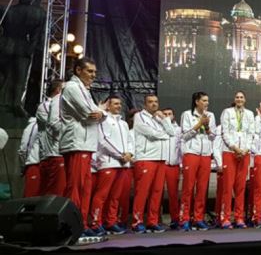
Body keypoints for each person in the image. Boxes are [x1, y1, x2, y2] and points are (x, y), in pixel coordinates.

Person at [59, 58, 105, 236]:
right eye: (90, 71)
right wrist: (100, 113)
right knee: (75, 188)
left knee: (85, 189)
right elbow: (89, 114)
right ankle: (72, 227)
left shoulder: (84, 89)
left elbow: (100, 114)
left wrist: (101, 113)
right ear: (78, 70)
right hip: (77, 143)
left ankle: (83, 225)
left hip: (85, 144)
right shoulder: (72, 87)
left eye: (95, 72)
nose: (93, 75)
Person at [131, 94, 176, 233]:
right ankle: (137, 222)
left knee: (157, 192)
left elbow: (172, 132)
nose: (154, 104)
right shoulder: (139, 116)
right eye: (150, 102)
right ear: (145, 104)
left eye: (156, 101)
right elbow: (152, 134)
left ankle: (153, 221)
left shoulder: (159, 118)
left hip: (160, 159)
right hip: (146, 158)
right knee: (142, 192)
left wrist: (164, 119)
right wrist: (164, 134)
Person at [89, 96, 131, 235]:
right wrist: (120, 155)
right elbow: (103, 141)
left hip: (123, 164)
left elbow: (130, 141)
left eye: (120, 103)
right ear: (108, 105)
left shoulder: (123, 124)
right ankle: (95, 223)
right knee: (102, 195)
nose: (119, 106)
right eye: (115, 103)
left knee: (115, 196)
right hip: (108, 162)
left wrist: (129, 153)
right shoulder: (103, 120)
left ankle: (110, 222)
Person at [179, 92, 216, 231]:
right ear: (196, 102)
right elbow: (184, 135)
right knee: (188, 188)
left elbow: (213, 136)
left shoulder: (211, 115)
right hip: (191, 153)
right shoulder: (187, 114)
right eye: (204, 100)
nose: (207, 103)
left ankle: (198, 218)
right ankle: (184, 219)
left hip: (205, 154)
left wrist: (207, 127)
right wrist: (199, 124)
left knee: (202, 188)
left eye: (207, 100)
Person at [220, 91, 255, 229]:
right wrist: (234, 148)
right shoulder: (227, 112)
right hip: (230, 152)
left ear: (245, 100)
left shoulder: (250, 114)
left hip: (244, 153)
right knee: (228, 187)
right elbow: (225, 132)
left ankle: (239, 217)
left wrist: (245, 149)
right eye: (237, 97)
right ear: (234, 99)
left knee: (241, 187)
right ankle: (225, 218)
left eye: (241, 97)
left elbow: (251, 134)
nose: (239, 99)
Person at [36, 79, 66, 196]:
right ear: (59, 90)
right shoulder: (46, 105)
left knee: (57, 192)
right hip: (52, 153)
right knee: (54, 193)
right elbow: (55, 125)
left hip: (59, 153)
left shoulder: (59, 105)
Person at [162, 107, 182, 229]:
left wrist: (181, 164)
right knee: (157, 193)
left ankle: (175, 219)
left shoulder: (179, 130)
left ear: (173, 116)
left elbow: (181, 147)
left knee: (173, 194)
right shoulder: (158, 128)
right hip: (160, 165)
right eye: (165, 114)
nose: (167, 116)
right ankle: (155, 219)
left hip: (173, 166)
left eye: (170, 114)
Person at [18, 116, 40, 197]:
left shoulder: (32, 126)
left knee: (31, 198)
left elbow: (24, 149)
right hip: (39, 164)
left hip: (35, 164)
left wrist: (23, 167)